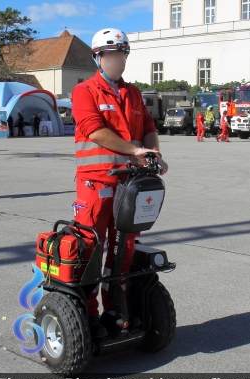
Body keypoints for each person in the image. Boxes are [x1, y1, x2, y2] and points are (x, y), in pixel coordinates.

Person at [72, 27, 168, 338]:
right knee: (89, 249)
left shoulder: (134, 93)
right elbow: (93, 129)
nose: (118, 60)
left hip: (129, 185)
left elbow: (149, 127)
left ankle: (116, 309)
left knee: (123, 249)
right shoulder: (85, 91)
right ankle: (88, 317)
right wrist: (135, 150)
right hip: (95, 185)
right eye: (111, 55)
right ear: (98, 57)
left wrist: (153, 153)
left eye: (121, 54)